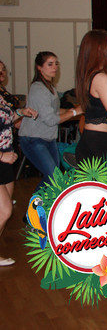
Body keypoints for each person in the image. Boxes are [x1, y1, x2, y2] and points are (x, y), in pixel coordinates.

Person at [19, 51, 83, 191]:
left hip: (48, 138)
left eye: (56, 64)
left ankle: (44, 204)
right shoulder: (38, 89)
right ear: (39, 67)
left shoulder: (50, 87)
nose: (54, 67)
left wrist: (73, 111)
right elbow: (50, 119)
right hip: (33, 139)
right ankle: (35, 205)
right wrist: (73, 112)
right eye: (50, 64)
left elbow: (53, 111)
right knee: (52, 176)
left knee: (55, 179)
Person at [0, 79, 37, 266]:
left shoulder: (2, 95)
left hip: (6, 160)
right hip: (2, 157)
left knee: (3, 210)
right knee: (5, 210)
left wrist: (21, 113)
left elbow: (5, 120)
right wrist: (1, 155)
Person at [74, 30, 107, 170]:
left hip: (98, 142)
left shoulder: (91, 75)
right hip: (99, 144)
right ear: (100, 49)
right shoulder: (101, 78)